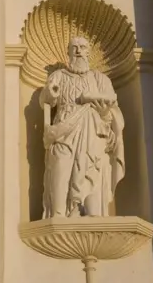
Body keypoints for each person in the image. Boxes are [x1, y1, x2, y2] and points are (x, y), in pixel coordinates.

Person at [39, 36, 125, 218]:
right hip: (63, 131)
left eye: (82, 47)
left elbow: (113, 110)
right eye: (74, 47)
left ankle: (92, 212)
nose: (78, 51)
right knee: (60, 168)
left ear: (88, 51)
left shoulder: (100, 79)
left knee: (91, 170)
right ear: (68, 52)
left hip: (93, 133)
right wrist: (50, 93)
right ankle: (59, 214)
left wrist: (104, 113)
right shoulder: (59, 76)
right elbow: (46, 102)